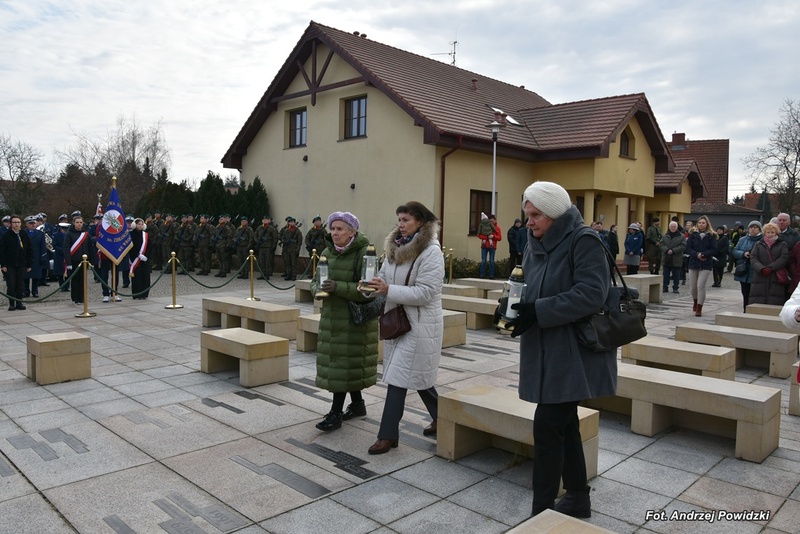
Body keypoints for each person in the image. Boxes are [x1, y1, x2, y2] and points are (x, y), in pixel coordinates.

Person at [498, 181, 615, 518]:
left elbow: (592, 294)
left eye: (535, 215)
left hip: (575, 353)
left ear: (553, 213)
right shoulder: (536, 242)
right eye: (527, 214)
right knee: (564, 426)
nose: (529, 221)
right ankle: (578, 496)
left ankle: (541, 512)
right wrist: (512, 309)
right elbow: (526, 287)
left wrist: (540, 311)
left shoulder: (584, 240)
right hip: (545, 347)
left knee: (548, 426)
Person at [364, 201, 444, 455]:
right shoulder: (395, 247)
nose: (400, 224)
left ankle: (387, 435)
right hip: (398, 321)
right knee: (417, 376)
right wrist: (372, 285)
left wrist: (389, 290)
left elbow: (427, 292)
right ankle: (443, 418)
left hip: (420, 324)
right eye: (399, 219)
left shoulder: (431, 252)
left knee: (399, 378)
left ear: (420, 221)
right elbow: (385, 277)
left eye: (406, 219)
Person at [311, 211, 379, 432]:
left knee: (341, 365)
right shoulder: (326, 252)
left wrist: (337, 287)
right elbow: (315, 282)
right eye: (333, 228)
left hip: (353, 321)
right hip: (332, 318)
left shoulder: (365, 253)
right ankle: (357, 404)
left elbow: (368, 290)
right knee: (343, 365)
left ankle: (335, 414)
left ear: (352, 231)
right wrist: (318, 290)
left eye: (340, 229)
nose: (335, 232)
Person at [749, 222, 790, 306]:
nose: (770, 234)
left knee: (774, 300)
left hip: (775, 275)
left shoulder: (782, 244)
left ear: (776, 233)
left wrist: (771, 268)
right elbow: (753, 258)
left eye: (772, 232)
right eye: (768, 232)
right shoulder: (758, 244)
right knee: (758, 301)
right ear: (764, 233)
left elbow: (783, 258)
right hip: (760, 276)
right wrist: (761, 268)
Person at [685, 215, 717, 317]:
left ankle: (699, 307)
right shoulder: (693, 235)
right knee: (693, 287)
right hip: (694, 262)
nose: (701, 225)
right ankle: (695, 301)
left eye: (703, 223)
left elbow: (713, 249)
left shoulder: (711, 235)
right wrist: (696, 254)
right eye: (699, 223)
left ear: (707, 224)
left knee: (700, 286)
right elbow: (688, 248)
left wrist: (703, 254)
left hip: (706, 263)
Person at [0, 215, 33, 311]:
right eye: (14, 222)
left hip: (22, 264)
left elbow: (30, 249)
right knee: (11, 284)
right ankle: (12, 303)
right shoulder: (6, 235)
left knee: (20, 284)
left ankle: (19, 302)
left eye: (18, 222)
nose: (16, 224)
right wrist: (3, 265)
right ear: (11, 224)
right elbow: (2, 251)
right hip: (10, 264)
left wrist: (29, 263)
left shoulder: (24, 234)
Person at [731, 221, 763, 312]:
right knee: (745, 292)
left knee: (754, 293)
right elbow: (735, 251)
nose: (753, 229)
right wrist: (743, 254)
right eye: (751, 227)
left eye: (755, 227)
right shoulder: (742, 239)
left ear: (759, 229)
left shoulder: (762, 240)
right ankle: (745, 310)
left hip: (755, 271)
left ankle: (753, 310)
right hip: (744, 270)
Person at [63, 215, 90, 305]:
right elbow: (66, 248)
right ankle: (75, 298)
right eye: (77, 222)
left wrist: (91, 260)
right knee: (75, 280)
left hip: (84, 261)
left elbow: (89, 247)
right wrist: (68, 262)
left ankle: (82, 297)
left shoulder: (85, 234)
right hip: (74, 260)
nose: (79, 224)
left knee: (83, 280)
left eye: (81, 222)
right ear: (74, 223)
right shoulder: (69, 234)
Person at [23, 216, 47, 298]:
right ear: (26, 224)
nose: (33, 225)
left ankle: (35, 291)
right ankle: (26, 291)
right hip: (26, 257)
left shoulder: (40, 234)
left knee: (36, 276)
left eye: (34, 223)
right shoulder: (23, 233)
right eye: (30, 223)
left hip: (37, 257)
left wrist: (43, 257)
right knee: (25, 276)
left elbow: (43, 246)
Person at [659, 221, 686, 294]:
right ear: (669, 227)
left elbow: (683, 246)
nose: (673, 228)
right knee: (666, 274)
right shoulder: (665, 235)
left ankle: (675, 287)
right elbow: (661, 244)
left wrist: (673, 250)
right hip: (666, 257)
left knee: (676, 274)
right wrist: (667, 250)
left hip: (676, 257)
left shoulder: (682, 236)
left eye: (674, 226)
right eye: (671, 226)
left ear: (677, 227)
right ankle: (665, 287)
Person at [129, 218, 152, 299]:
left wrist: (146, 256)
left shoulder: (146, 235)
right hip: (135, 259)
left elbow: (149, 246)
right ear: (135, 225)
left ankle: (144, 294)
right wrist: (138, 255)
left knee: (145, 276)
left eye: (142, 224)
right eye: (139, 224)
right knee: (137, 277)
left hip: (145, 259)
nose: (140, 226)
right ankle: (136, 294)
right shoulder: (131, 234)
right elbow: (131, 247)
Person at [477, 213, 501, 279]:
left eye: (493, 220)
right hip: (484, 246)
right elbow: (479, 235)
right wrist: (486, 237)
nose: (492, 222)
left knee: (492, 261)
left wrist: (493, 237)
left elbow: (499, 237)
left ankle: (491, 275)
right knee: (483, 261)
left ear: (495, 220)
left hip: (492, 247)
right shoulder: (484, 226)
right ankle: (482, 275)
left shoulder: (497, 228)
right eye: (490, 220)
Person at [254, 215, 278, 279]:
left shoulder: (271, 228)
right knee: (261, 261)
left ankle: (267, 275)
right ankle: (262, 274)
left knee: (268, 261)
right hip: (261, 247)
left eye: (266, 220)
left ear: (268, 221)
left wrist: (273, 246)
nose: (264, 220)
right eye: (263, 220)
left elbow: (275, 238)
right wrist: (257, 241)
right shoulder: (259, 228)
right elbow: (255, 235)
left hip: (268, 247)